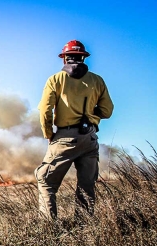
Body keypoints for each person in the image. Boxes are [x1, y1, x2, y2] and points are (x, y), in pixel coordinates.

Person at [34, 40, 114, 220]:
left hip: (64, 138)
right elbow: (107, 111)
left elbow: (45, 110)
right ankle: (84, 228)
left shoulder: (55, 79)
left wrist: (49, 134)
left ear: (64, 59)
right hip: (90, 139)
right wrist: (91, 116)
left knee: (46, 181)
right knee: (86, 186)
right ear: (84, 57)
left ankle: (48, 228)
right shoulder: (97, 80)